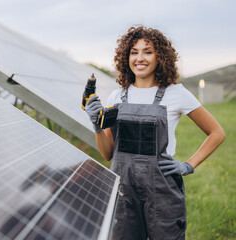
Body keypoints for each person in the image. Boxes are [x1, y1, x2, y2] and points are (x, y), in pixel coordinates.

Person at [85, 25, 226, 240]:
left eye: (147, 51)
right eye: (134, 52)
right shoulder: (117, 97)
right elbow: (108, 154)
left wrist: (188, 165)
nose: (140, 58)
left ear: (160, 57)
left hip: (162, 191)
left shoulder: (176, 94)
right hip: (124, 193)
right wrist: (97, 126)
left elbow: (216, 133)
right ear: (126, 57)